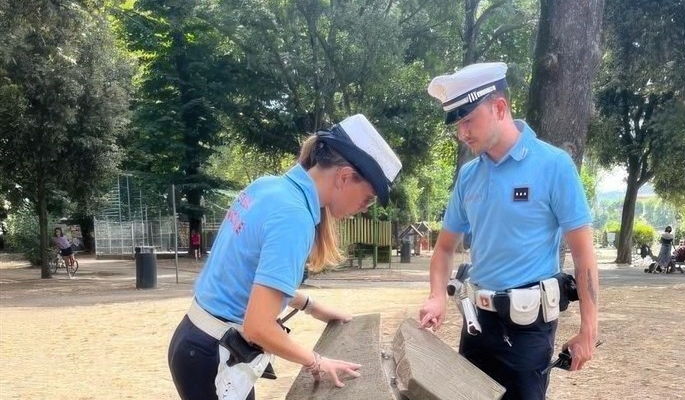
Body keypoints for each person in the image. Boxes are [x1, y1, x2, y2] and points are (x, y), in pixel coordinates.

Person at [167, 114, 402, 400]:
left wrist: (310, 305)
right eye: (367, 198)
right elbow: (258, 326)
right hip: (214, 354)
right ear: (343, 177)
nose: (364, 208)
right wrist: (315, 360)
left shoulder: (268, 187)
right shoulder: (295, 218)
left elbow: (246, 273)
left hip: (198, 342)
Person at [418, 62, 599, 400]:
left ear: (499, 108)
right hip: (476, 326)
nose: (463, 133)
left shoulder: (554, 165)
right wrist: (437, 295)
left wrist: (589, 327)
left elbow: (583, 253)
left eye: (468, 120)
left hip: (529, 331)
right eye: (458, 124)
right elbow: (444, 249)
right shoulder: (468, 176)